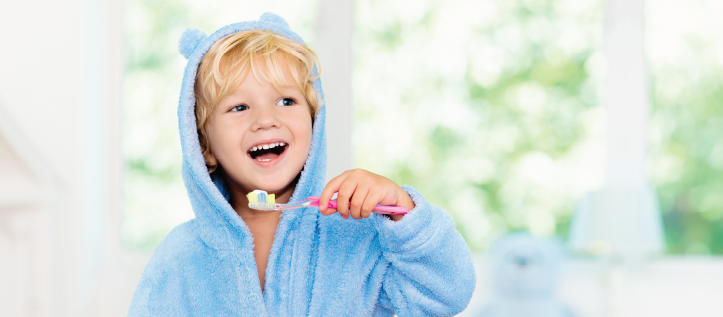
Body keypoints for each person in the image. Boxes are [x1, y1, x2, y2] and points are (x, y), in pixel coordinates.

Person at [128, 13, 475, 316]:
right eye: (239, 107)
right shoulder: (179, 259)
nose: (266, 119)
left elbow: (448, 293)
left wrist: (404, 215)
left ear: (314, 122)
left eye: (286, 100)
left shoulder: (356, 233)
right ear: (204, 146)